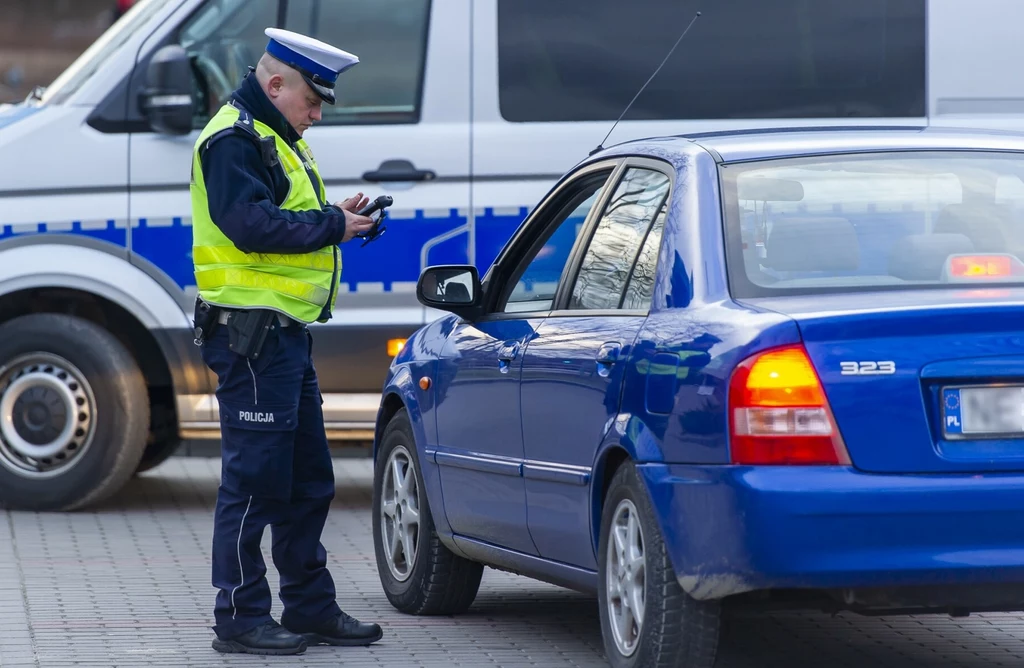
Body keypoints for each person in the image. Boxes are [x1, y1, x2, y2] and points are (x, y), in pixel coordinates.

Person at [189, 27, 383, 656]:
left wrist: (339, 218)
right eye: (313, 98)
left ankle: (309, 607)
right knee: (253, 486)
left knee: (307, 481)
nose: (317, 112)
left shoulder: (272, 136)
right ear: (275, 85)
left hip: (281, 337)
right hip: (252, 341)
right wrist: (334, 224)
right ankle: (240, 618)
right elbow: (249, 226)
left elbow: (281, 215)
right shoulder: (233, 139)